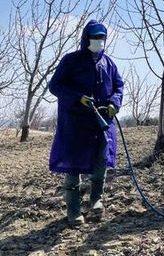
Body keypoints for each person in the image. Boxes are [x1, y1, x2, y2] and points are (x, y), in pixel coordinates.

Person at [48, 20, 124, 226]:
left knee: (100, 163)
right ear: (85, 38)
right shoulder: (71, 61)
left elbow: (119, 86)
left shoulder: (109, 63)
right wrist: (78, 96)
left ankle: (96, 200)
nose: (99, 41)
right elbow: (55, 85)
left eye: (102, 37)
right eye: (95, 37)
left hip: (100, 123)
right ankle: (73, 210)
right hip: (75, 122)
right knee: (73, 167)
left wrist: (114, 103)